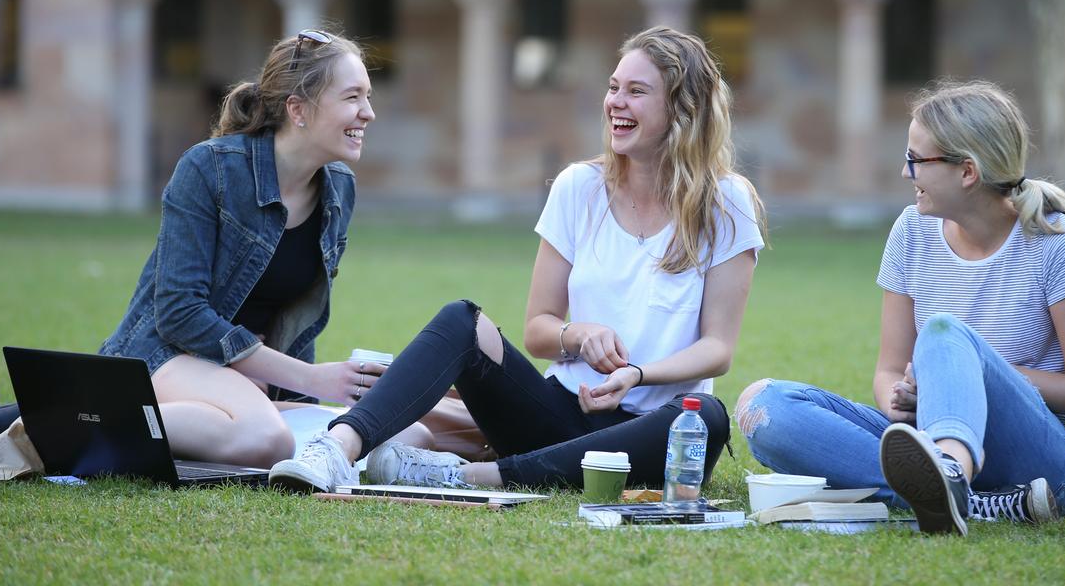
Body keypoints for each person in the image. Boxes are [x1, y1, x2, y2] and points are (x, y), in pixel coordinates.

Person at [269, 25, 767, 493]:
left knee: (707, 418)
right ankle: (337, 447)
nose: (615, 102)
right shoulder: (579, 187)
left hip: (644, 432)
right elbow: (538, 330)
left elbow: (717, 348)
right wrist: (577, 335)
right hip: (554, 415)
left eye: (637, 91)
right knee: (461, 321)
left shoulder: (725, 203)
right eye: (614, 87)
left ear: (682, 110)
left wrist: (636, 375)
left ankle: (468, 475)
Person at [735, 80, 1065, 535]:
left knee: (944, 334)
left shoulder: (1059, 244)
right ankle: (973, 500)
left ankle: (951, 478)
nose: (904, 172)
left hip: (1042, 464)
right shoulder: (911, 231)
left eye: (916, 159)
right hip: (928, 433)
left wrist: (967, 372)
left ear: (967, 172)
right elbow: (889, 370)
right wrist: (903, 403)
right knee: (764, 405)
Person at [99, 29, 429, 468]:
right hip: (166, 357)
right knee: (266, 439)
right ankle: (92, 419)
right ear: (298, 109)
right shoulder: (209, 168)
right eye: (353, 97)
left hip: (246, 381)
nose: (368, 113)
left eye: (367, 97)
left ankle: (219, 421)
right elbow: (178, 311)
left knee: (409, 433)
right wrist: (313, 379)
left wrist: (295, 386)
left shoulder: (339, 189)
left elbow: (296, 317)